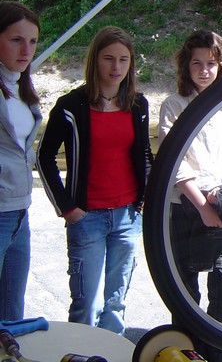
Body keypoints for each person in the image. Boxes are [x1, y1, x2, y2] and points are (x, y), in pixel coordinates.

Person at [36, 26, 152, 335]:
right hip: (87, 217)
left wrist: (146, 198)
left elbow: (144, 153)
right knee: (86, 305)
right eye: (108, 59)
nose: (116, 68)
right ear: (95, 60)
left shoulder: (138, 105)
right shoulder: (71, 106)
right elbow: (44, 157)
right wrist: (66, 207)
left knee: (115, 305)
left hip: (128, 216)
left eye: (124, 60)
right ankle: (79, 354)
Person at [158, 30, 222, 362]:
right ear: (186, 66)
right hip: (184, 206)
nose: (204, 70)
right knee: (184, 292)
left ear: (220, 65)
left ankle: (217, 356)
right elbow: (174, 161)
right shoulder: (173, 105)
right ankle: (186, 355)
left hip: (221, 206)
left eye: (210, 63)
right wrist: (201, 205)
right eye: (196, 63)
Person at [0, 1, 42, 321]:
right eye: (16, 40)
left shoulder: (20, 88)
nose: (26, 50)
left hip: (19, 213)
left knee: (12, 313)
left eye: (33, 41)